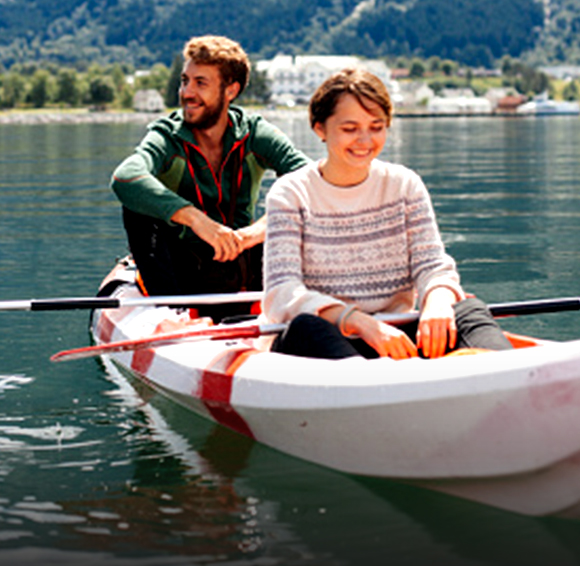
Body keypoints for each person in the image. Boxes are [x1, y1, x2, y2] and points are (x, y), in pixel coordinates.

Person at [263, 68, 513, 359]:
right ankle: (377, 380)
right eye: (350, 129)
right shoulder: (290, 192)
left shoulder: (404, 184)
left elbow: (432, 266)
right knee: (305, 326)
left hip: (397, 335)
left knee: (467, 309)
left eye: (376, 127)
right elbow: (282, 292)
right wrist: (359, 322)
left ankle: (504, 371)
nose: (365, 140)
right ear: (320, 128)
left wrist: (436, 302)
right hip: (326, 334)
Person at [111, 34, 309, 319]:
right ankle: (171, 314)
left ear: (231, 90)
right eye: (185, 81)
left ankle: (290, 308)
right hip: (182, 273)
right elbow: (125, 177)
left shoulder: (256, 133)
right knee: (137, 209)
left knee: (299, 202)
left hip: (245, 266)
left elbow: (312, 181)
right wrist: (198, 221)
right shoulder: (167, 136)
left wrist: (250, 235)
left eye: (200, 83)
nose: (187, 93)